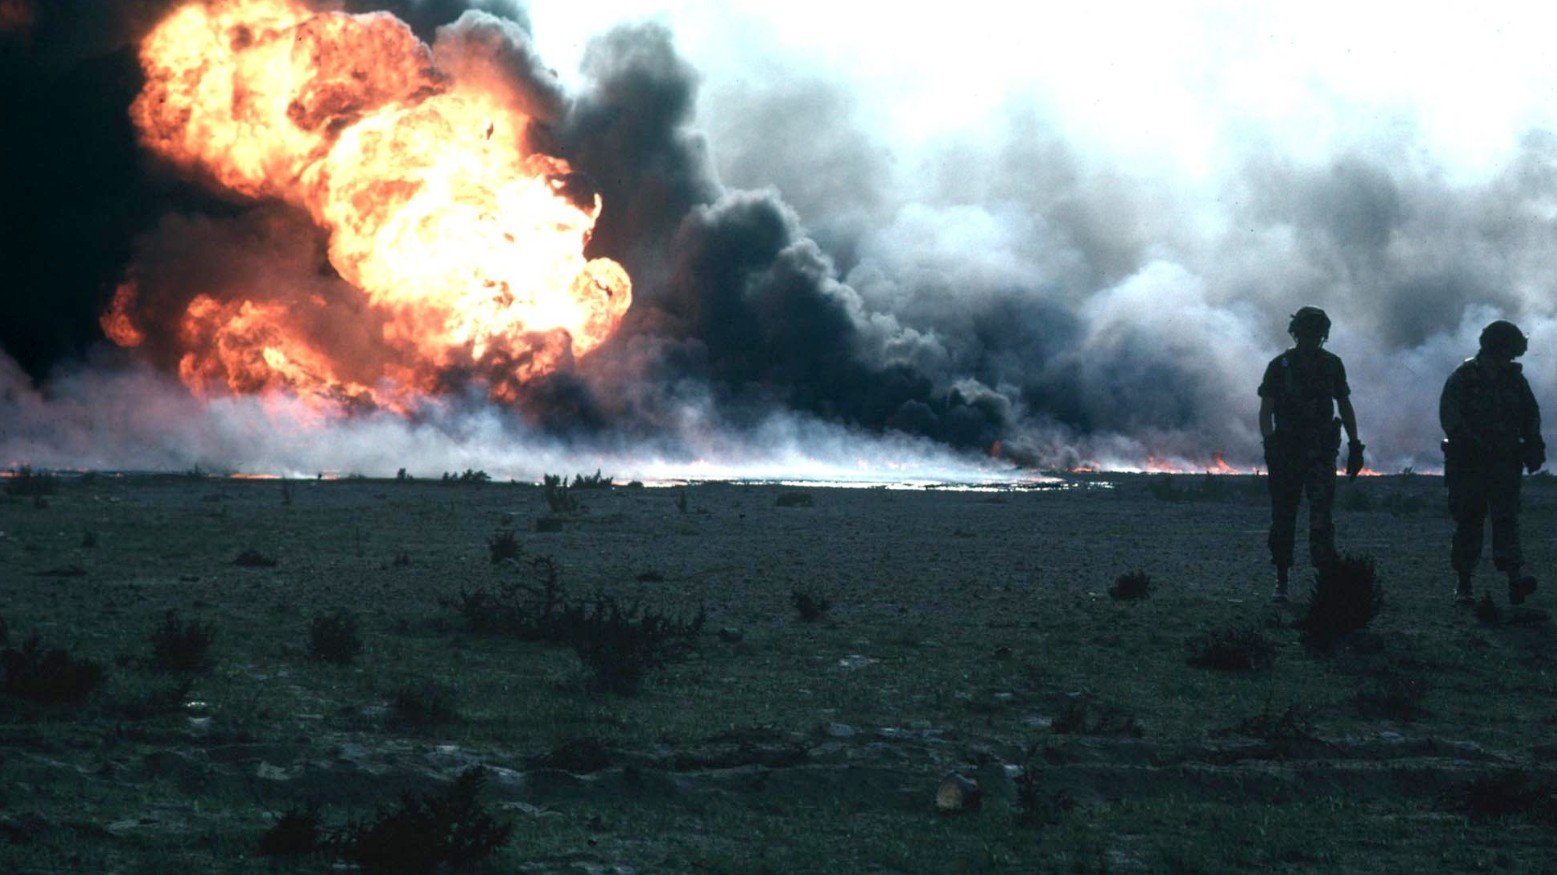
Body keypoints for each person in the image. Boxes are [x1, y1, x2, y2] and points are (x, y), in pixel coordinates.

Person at [1258, 307, 1365, 602]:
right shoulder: (1279, 366)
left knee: (1321, 519)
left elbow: (1344, 405)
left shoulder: (1332, 365)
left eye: (1316, 334)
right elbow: (1266, 410)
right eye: (1307, 333)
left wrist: (1355, 444)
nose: (1311, 339)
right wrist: (1270, 444)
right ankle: (1282, 579)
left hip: (1320, 452)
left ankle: (1325, 582)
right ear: (1296, 334)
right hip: (1287, 451)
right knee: (1284, 516)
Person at [1440, 320, 1544, 607]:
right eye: (1508, 352)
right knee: (1469, 520)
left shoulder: (1514, 380)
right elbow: (1450, 417)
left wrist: (1534, 442)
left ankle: (1514, 579)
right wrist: (1469, 443)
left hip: (1504, 463)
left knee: (1506, 519)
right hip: (1469, 464)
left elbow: (1530, 413)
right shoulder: (1463, 378)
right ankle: (1464, 584)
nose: (1510, 358)